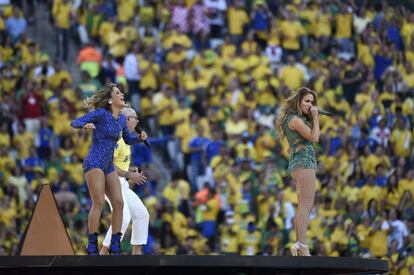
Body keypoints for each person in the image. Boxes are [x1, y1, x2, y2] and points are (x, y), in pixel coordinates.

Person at [71, 83, 144, 255]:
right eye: (118, 92)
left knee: (118, 203)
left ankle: (115, 246)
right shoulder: (101, 114)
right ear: (111, 99)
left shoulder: (120, 120)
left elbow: (127, 139)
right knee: (98, 202)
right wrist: (85, 125)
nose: (122, 94)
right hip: (94, 162)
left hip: (107, 165)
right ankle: (92, 245)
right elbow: (75, 122)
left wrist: (139, 138)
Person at [275, 87, 320, 256]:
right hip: (304, 162)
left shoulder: (292, 119)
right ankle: (302, 245)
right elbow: (314, 137)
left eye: (312, 102)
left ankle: (299, 244)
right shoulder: (295, 119)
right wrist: (316, 118)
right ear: (298, 101)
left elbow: (292, 145)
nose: (310, 105)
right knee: (306, 206)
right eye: (307, 101)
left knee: (303, 206)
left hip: (299, 162)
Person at [100, 107, 150, 255]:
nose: (137, 121)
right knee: (123, 217)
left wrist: (131, 170)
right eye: (135, 118)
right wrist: (129, 174)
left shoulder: (126, 139)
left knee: (142, 214)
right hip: (109, 183)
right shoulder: (117, 137)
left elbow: (119, 163)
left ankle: (137, 257)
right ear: (127, 120)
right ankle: (102, 255)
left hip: (121, 184)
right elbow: (107, 164)